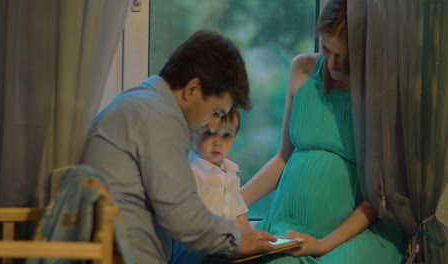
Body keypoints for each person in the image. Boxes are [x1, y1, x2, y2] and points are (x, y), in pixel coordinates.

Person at [81, 29, 275, 264]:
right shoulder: (158, 117)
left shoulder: (140, 101)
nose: (212, 125)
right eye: (215, 112)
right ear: (192, 89)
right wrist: (236, 238)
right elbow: (183, 219)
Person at [240, 0, 407, 263]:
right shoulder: (301, 70)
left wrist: (321, 245)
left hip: (356, 232)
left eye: (345, 56)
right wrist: (229, 204)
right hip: (291, 226)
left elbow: (376, 198)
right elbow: (282, 159)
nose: (333, 64)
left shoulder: (381, 93)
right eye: (328, 51)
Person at [171, 109, 251, 264]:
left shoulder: (230, 171)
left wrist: (250, 237)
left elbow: (239, 214)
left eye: (226, 135)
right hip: (200, 248)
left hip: (226, 247)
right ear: (194, 133)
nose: (218, 142)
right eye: (209, 133)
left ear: (235, 138)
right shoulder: (190, 172)